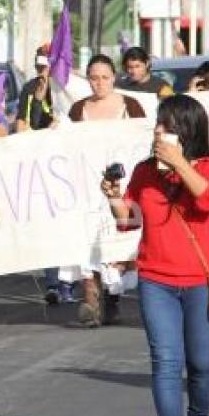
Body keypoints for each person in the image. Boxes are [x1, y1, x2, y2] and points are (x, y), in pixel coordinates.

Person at [101, 94, 209, 416]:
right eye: (157, 123)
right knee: (166, 361)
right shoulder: (143, 171)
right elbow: (129, 221)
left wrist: (180, 164)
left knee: (200, 362)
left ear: (186, 131)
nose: (157, 130)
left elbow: (208, 200)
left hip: (200, 280)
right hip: (156, 280)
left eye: (166, 125)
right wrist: (114, 199)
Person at [69, 54, 147, 327]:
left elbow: (143, 142)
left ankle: (111, 298)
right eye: (93, 77)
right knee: (86, 238)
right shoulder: (78, 109)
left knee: (115, 240)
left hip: (121, 186)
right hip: (87, 186)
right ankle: (90, 298)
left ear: (114, 78)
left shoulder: (132, 105)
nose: (99, 83)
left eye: (104, 77)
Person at [15, 46, 73, 303]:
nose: (42, 72)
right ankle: (52, 283)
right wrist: (37, 102)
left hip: (71, 167)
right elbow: (22, 126)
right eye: (38, 67)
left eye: (46, 67)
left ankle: (69, 282)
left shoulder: (69, 89)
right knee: (51, 224)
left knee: (69, 226)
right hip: (44, 167)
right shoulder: (29, 89)